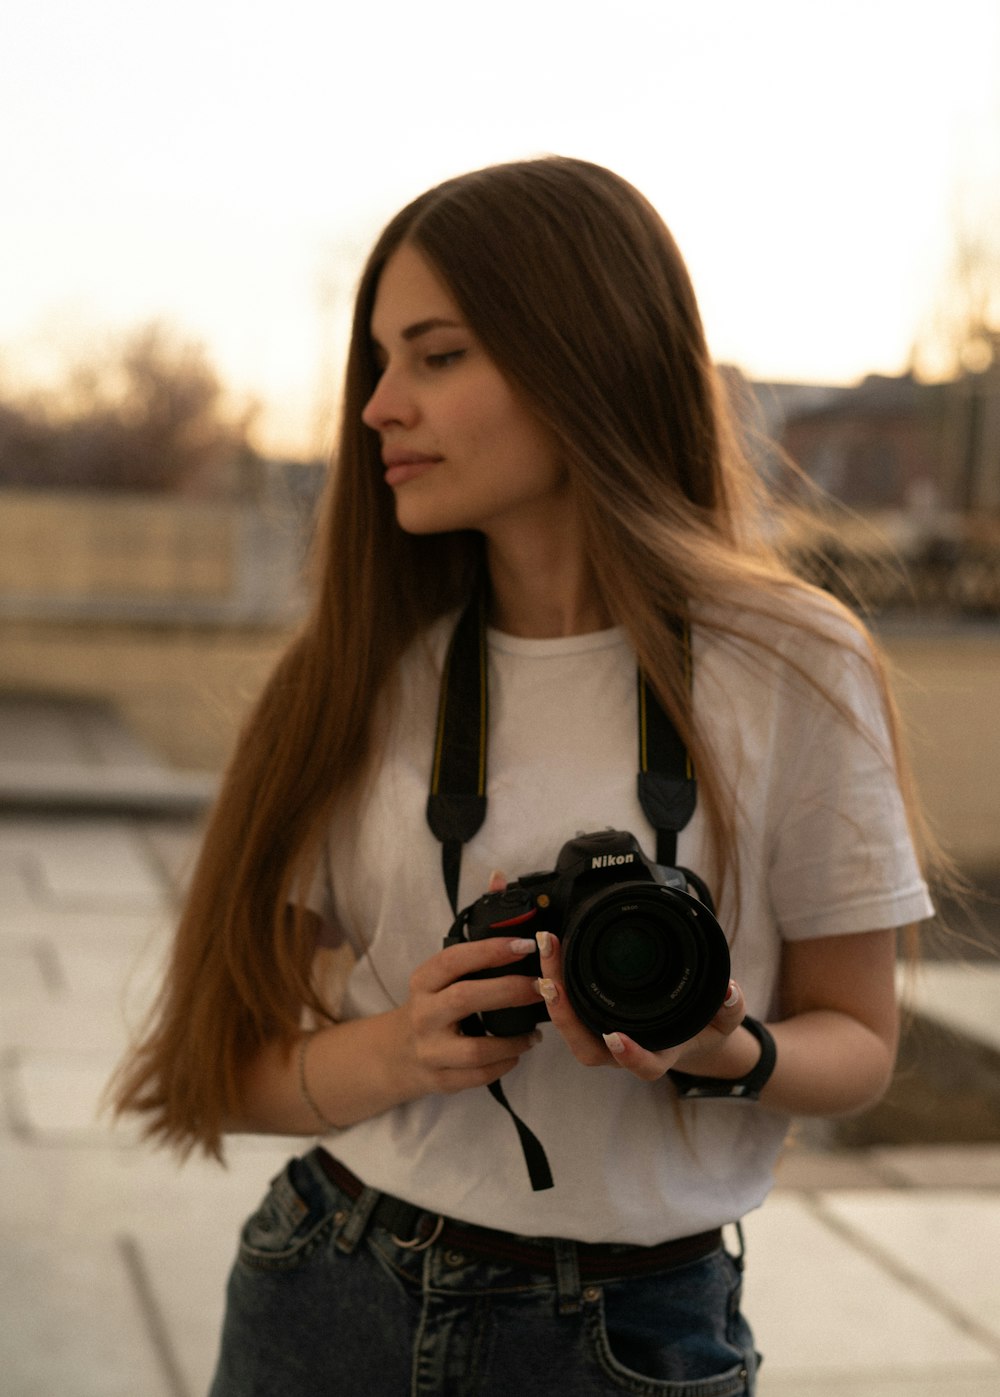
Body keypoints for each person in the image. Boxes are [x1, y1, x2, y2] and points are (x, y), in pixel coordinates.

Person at [112, 156, 934, 1396]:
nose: (379, 406)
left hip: (638, 1332)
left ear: (583, 354)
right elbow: (213, 1070)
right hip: (329, 1287)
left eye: (436, 356)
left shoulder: (794, 663)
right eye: (380, 362)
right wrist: (403, 1045)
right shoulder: (352, 675)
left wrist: (723, 1047)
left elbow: (860, 1041)